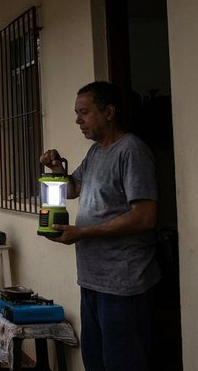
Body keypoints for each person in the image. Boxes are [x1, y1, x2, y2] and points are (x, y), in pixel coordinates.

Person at [39, 81, 159, 371]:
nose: (78, 120)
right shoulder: (96, 152)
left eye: (84, 112)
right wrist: (56, 169)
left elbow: (145, 216)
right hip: (93, 280)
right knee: (96, 362)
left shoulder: (131, 151)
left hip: (123, 285)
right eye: (77, 113)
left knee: (123, 363)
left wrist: (83, 233)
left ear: (109, 112)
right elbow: (71, 189)